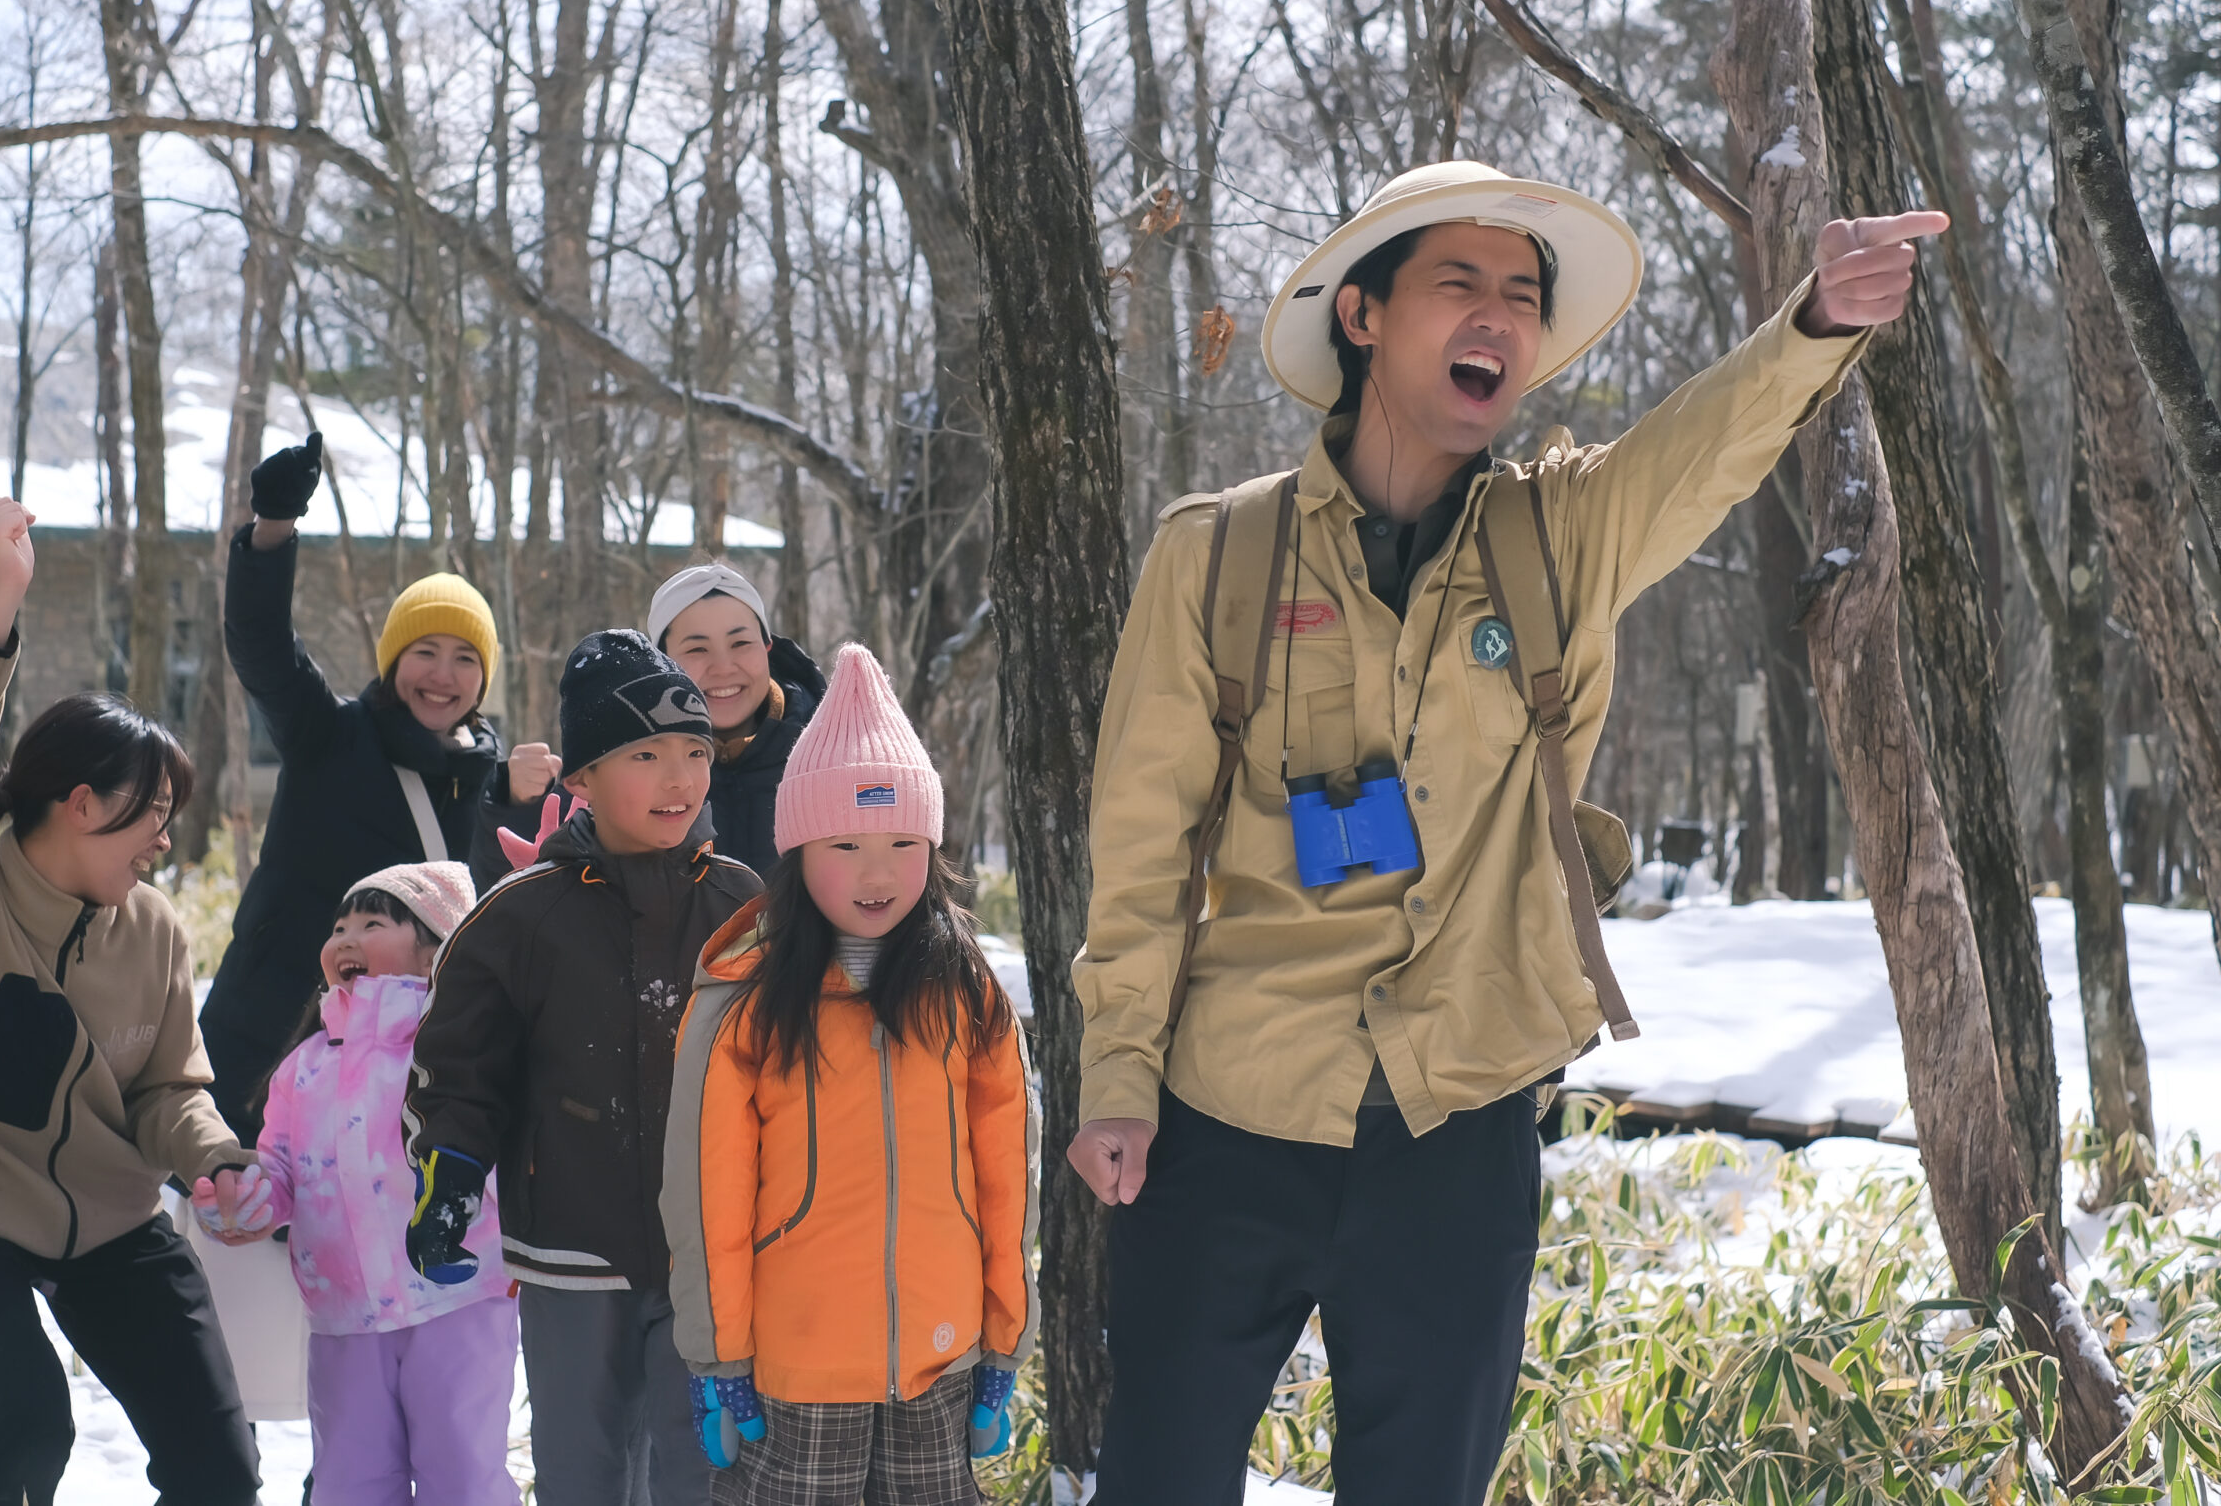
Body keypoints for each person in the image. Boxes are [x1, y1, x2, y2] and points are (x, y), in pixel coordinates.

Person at [1068, 161, 1947, 1503]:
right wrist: (1121, 1076)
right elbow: (1142, 846)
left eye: (1522, 297)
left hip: (1457, 1127)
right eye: (1458, 282)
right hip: (1230, 1111)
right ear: (1362, 314)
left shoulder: (1561, 535)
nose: (1498, 316)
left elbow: (1703, 447)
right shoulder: (1218, 555)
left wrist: (1815, 320)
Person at [0, 496, 269, 1506]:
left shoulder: (154, 928)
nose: (163, 842)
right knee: (28, 1424)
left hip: (110, 1225)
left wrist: (214, 1156)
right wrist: (1, 604)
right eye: (153, 816)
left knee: (220, 1467)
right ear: (81, 803)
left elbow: (168, 1088)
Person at [663, 643, 1037, 1506]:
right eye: (847, 843)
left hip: (942, 1359)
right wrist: (720, 1355)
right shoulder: (746, 996)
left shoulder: (965, 988)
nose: (878, 872)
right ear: (799, 851)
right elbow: (708, 1189)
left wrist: (1004, 1339)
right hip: (796, 1368)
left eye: (903, 842)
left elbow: (1006, 1174)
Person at [403, 630, 763, 1506]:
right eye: (646, 754)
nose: (679, 777)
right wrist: (450, 1172)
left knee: (703, 1473)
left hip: (709, 1251)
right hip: (569, 1246)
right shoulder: (522, 917)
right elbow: (460, 1065)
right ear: (582, 779)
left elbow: (788, 1067)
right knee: (583, 1471)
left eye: (694, 751)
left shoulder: (743, 905)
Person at [203, 430, 560, 1146]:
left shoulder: (491, 784)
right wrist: (273, 527)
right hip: (272, 1040)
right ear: (394, 661)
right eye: (424, 651)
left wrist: (521, 806)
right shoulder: (329, 734)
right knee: (242, 1199)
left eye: (465, 658)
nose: (443, 675)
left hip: (406, 1077)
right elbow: (262, 646)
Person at [199, 861, 523, 1506]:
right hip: (343, 1313)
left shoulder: (455, 1054)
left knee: (461, 1476)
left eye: (372, 923)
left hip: (457, 1301)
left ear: (436, 951)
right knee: (350, 1484)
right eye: (340, 926)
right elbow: (281, 1165)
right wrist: (249, 1200)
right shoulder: (304, 1067)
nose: (345, 938)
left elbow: (498, 1154)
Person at [646, 562, 826, 879]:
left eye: (740, 643)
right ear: (662, 663)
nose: (723, 667)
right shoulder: (627, 761)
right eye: (697, 649)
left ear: (767, 647)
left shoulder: (831, 752)